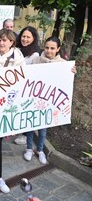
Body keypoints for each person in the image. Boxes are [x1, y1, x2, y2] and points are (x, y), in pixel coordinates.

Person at [23, 36, 76, 164]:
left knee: (43, 127)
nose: (49, 51)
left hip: (50, 101)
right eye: (47, 47)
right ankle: (29, 148)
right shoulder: (36, 60)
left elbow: (66, 83)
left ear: (58, 49)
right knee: (30, 124)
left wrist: (72, 73)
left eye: (52, 48)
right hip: (34, 98)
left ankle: (40, 150)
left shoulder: (63, 64)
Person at [13, 26, 41, 145]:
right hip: (16, 85)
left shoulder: (35, 54)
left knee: (25, 109)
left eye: (28, 37)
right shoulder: (16, 49)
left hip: (28, 88)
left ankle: (24, 135)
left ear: (33, 38)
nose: (25, 39)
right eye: (23, 36)